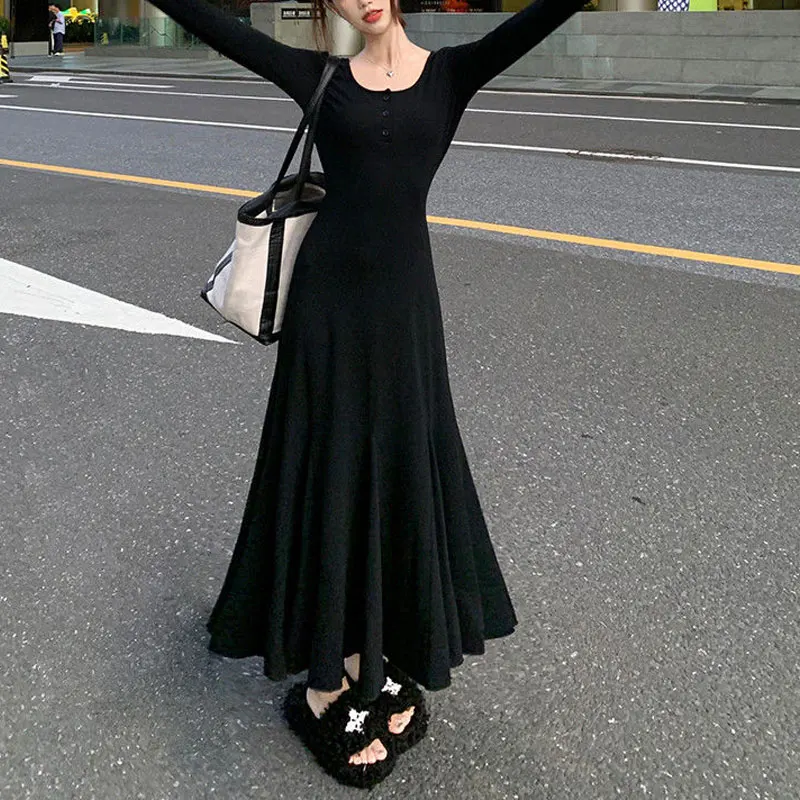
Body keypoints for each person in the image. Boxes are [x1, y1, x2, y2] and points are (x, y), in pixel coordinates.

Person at [147, 0, 583, 788]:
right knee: (332, 470)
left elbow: (537, 21)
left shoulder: (452, 75)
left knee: (397, 472)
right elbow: (224, 30)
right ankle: (323, 687)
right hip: (328, 313)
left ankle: (364, 655)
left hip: (407, 312)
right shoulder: (319, 77)